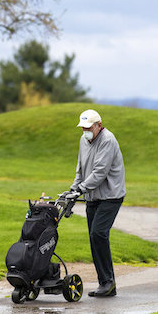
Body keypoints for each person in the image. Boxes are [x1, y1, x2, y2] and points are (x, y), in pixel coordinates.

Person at [66, 109, 126, 297]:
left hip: (110, 195)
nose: (85, 130)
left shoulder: (107, 140)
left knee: (98, 233)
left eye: (89, 127)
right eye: (83, 127)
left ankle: (108, 282)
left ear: (99, 125)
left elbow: (100, 172)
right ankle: (106, 283)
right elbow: (80, 169)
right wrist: (73, 189)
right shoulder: (83, 140)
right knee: (94, 238)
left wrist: (81, 189)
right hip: (92, 196)